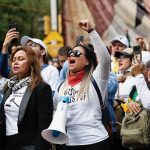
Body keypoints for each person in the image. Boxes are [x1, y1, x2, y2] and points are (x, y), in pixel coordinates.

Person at [53, 19, 110, 150]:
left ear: (88, 62)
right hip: (69, 144)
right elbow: (55, 111)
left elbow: (105, 60)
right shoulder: (61, 86)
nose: (72, 55)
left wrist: (92, 31)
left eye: (77, 53)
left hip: (96, 142)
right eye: (70, 53)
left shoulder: (96, 80)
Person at [0, 46, 53, 150]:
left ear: (31, 63)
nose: (15, 62)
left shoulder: (41, 88)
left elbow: (44, 125)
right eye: (14, 59)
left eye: (21, 59)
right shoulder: (9, 86)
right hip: (7, 143)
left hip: (29, 145)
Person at [0, 29, 59, 95]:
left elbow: (52, 96)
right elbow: (3, 70)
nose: (28, 47)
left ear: (42, 52)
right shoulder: (22, 70)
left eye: (33, 45)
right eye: (26, 46)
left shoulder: (51, 70)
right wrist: (5, 46)